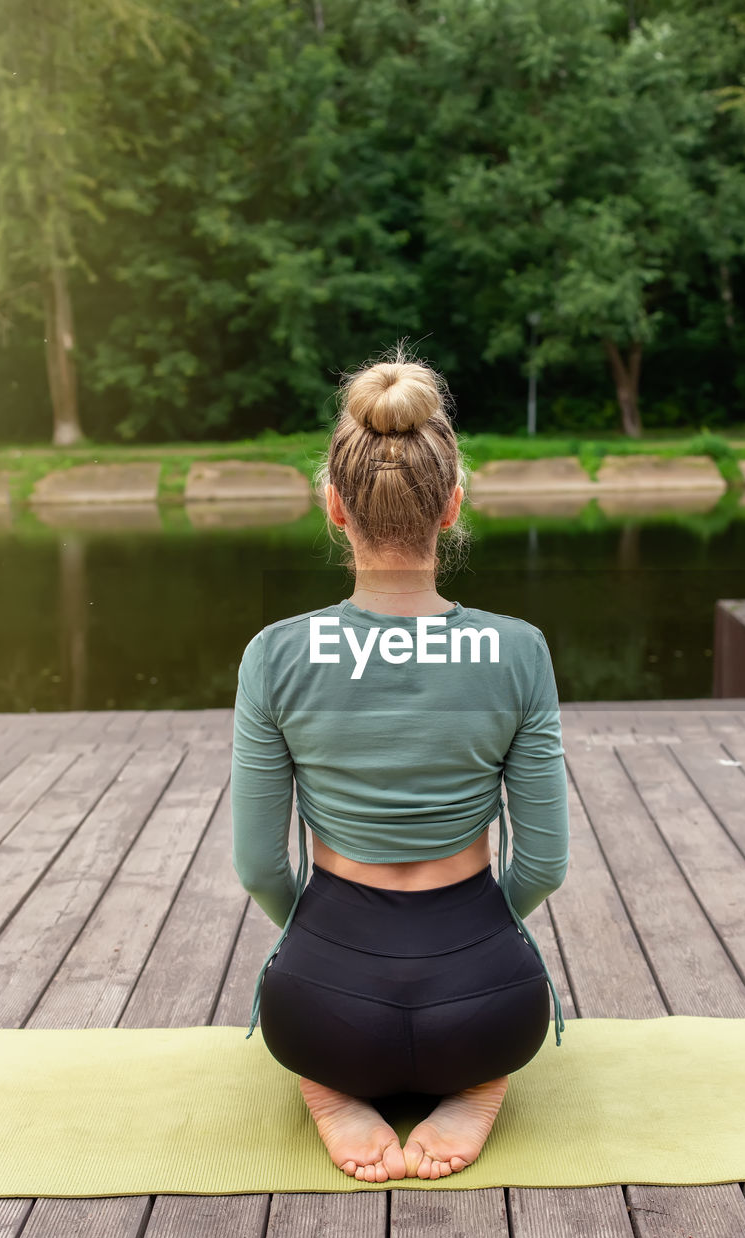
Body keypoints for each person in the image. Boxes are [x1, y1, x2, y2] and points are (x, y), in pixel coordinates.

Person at [230, 340, 570, 1183]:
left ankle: (334, 1090)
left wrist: (318, 941)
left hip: (321, 1008)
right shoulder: (516, 650)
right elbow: (547, 863)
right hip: (492, 1006)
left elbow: (257, 867)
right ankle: (475, 1084)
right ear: (451, 507)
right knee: (485, 1028)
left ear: (334, 508)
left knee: (318, 1027)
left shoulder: (275, 655)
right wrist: (485, 931)